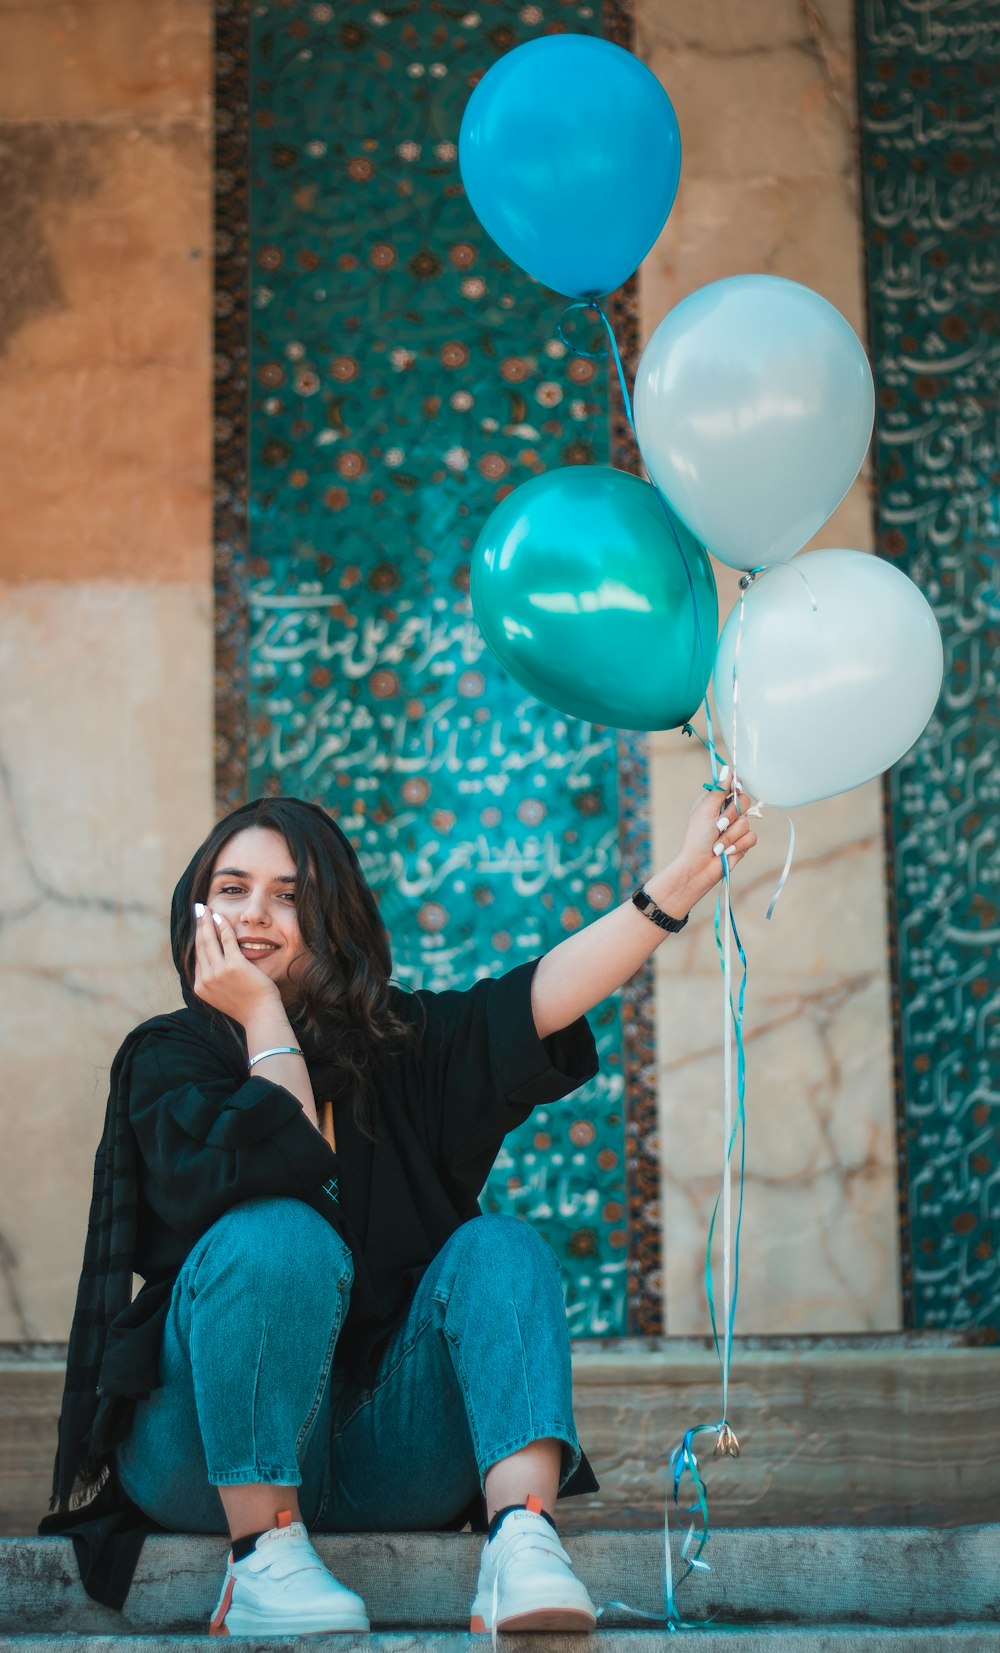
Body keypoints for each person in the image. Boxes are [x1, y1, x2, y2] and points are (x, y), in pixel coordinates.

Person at [42, 773, 755, 1637]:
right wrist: (264, 1012)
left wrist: (678, 878)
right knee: (277, 1232)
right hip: (201, 1457)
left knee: (502, 1247)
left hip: (389, 1453)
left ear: (333, 918)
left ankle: (521, 1542)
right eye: (231, 891)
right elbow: (284, 1153)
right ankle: (262, 1560)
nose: (256, 913)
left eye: (289, 895)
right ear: (198, 915)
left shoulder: (401, 1048)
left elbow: (542, 995)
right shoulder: (169, 1059)